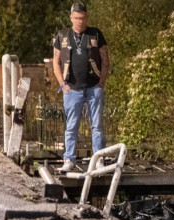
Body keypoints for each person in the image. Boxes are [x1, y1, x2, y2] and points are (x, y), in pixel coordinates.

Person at [52, 2, 109, 173]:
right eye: (77, 18)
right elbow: (55, 62)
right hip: (72, 89)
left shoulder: (95, 34)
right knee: (71, 126)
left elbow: (105, 60)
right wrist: (62, 84)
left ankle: (98, 159)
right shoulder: (62, 36)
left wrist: (101, 83)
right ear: (71, 17)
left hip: (93, 88)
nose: (80, 21)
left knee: (97, 125)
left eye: (83, 18)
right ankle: (69, 159)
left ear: (87, 17)